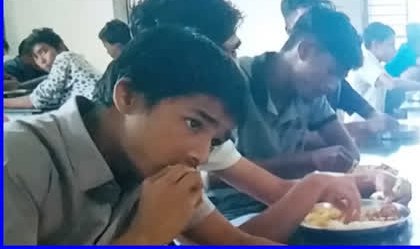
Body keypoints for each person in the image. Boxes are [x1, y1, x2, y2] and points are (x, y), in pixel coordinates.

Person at [94, 0, 408, 239]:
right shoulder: (49, 159)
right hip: (236, 208)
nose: (232, 69)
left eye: (233, 52)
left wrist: (348, 182)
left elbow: (237, 237)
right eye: (225, 54)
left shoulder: (181, 155)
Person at [4, 26, 275, 245]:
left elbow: (232, 241)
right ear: (128, 96)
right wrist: (145, 236)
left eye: (214, 140)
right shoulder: (16, 160)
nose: (202, 155)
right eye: (194, 123)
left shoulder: (159, 166)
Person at [205, 5, 406, 219]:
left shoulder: (311, 95)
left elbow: (350, 155)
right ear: (305, 51)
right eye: (332, 72)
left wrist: (377, 182)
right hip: (230, 214)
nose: (332, 86)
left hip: (288, 203)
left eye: (340, 78)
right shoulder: (236, 82)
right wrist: (308, 160)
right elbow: (209, 173)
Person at [281, 0, 398, 136]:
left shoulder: (329, 74)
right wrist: (361, 127)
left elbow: (343, 90)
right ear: (289, 29)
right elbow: (292, 141)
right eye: (304, 23)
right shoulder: (284, 78)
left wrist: (372, 114)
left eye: (320, 22)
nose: (316, 31)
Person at [348, 22, 420, 134]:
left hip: (371, 124)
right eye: (391, 45)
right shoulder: (366, 60)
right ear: (376, 45)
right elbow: (391, 83)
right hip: (361, 127)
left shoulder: (376, 63)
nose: (394, 50)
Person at [3, 28, 100, 110]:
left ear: (60, 47)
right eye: (36, 57)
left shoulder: (64, 58)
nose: (41, 61)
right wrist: (20, 86)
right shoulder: (74, 60)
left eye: (44, 51)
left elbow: (37, 99)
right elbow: (47, 81)